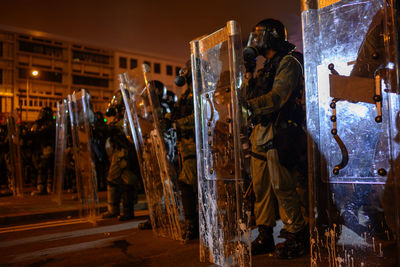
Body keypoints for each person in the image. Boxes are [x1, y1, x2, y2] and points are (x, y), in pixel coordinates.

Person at [244, 18, 308, 259]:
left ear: (270, 37)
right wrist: (248, 73)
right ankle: (265, 235)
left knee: (283, 187)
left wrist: (248, 107)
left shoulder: (289, 62)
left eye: (258, 36)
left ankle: (296, 235)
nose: (255, 42)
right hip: (260, 133)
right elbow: (248, 95)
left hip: (279, 131)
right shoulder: (266, 67)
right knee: (261, 190)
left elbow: (278, 96)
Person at [170, 61, 198, 239]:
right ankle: (192, 222)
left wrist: (177, 123)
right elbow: (175, 113)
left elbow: (200, 115)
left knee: (186, 182)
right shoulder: (186, 95)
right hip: (185, 146)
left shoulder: (200, 91)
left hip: (197, 145)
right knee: (188, 184)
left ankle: (192, 223)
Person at [102, 92, 139, 221]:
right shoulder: (118, 114)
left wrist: (113, 128)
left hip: (127, 152)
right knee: (112, 179)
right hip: (118, 152)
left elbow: (127, 128)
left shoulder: (129, 112)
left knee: (127, 181)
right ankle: (113, 209)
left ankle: (128, 212)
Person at [31, 107, 56, 195]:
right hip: (43, 148)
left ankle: (45, 187)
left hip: (47, 148)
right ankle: (46, 187)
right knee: (45, 168)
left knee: (44, 168)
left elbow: (38, 132)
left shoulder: (50, 124)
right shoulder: (42, 123)